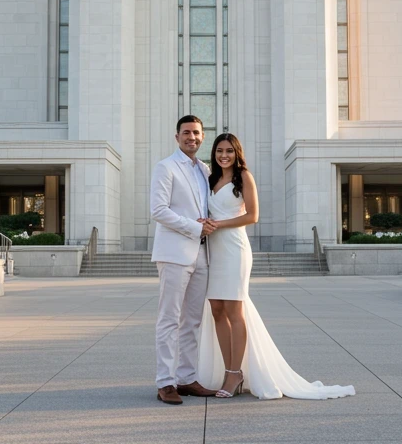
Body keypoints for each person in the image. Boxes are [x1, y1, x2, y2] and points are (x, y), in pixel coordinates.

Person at [198, 132, 356, 400]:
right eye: (219, 151)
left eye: (229, 151)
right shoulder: (210, 178)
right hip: (214, 250)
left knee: (235, 309)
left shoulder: (244, 177)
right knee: (216, 309)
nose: (224, 155)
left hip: (235, 249)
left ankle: (236, 373)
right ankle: (228, 370)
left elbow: (253, 215)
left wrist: (218, 224)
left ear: (237, 153)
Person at [149, 115, 219, 404]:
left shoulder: (205, 170)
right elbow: (158, 210)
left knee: (193, 321)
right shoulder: (165, 167)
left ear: (203, 137)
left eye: (197, 133)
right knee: (169, 319)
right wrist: (195, 226)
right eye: (187, 132)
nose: (192, 137)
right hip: (175, 253)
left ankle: (187, 378)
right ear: (177, 136)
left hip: (201, 253)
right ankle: (165, 382)